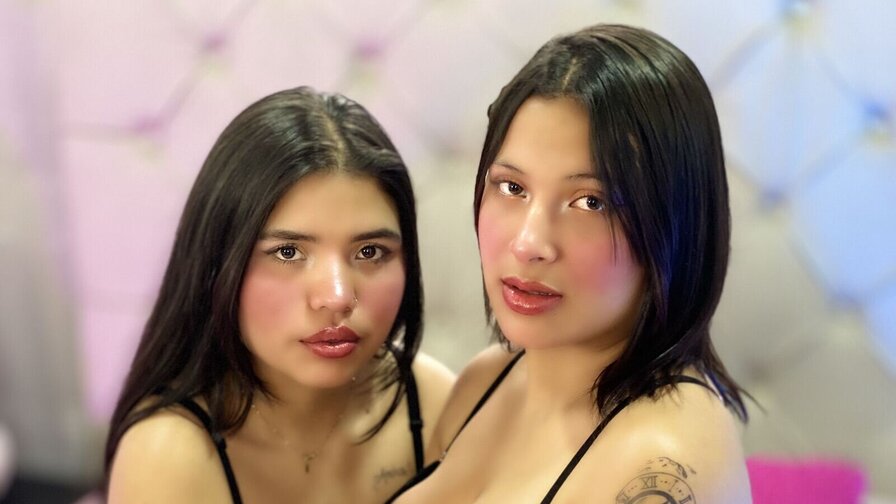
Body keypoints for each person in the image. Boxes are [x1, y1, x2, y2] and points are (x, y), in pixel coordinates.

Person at [391, 24, 752, 503]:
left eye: (590, 202)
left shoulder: (663, 463)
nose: (529, 243)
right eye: (512, 187)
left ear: (674, 224)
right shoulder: (486, 380)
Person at [104, 86, 455, 504]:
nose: (337, 297)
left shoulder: (433, 402)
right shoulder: (167, 455)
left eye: (369, 252)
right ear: (217, 261)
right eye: (288, 252)